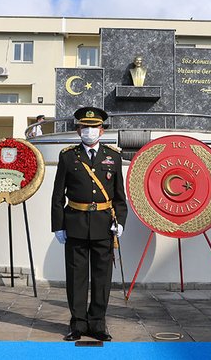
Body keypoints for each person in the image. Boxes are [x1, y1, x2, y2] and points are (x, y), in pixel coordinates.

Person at [51, 107, 127, 342]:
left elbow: (119, 196)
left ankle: (97, 324)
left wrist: (121, 222)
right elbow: (57, 195)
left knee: (102, 277)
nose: (89, 131)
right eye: (85, 127)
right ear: (78, 130)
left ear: (102, 131)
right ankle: (77, 324)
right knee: (76, 277)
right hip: (75, 223)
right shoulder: (68, 156)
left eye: (94, 127)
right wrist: (58, 225)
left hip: (104, 225)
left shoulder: (113, 156)